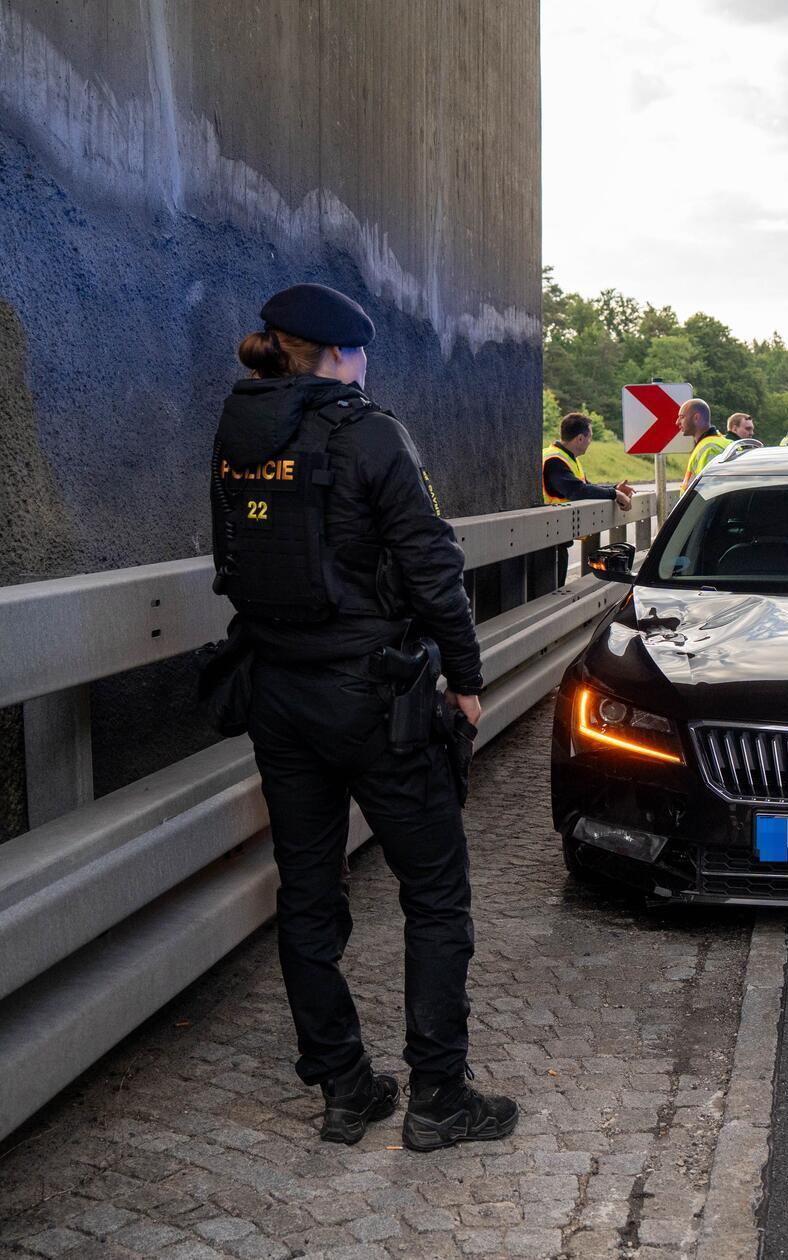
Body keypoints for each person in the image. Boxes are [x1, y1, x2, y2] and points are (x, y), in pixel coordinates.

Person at [211, 282, 517, 1151]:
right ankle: (439, 1098)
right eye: (362, 352)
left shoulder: (238, 433)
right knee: (434, 894)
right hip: (375, 699)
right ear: (341, 354)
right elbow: (432, 564)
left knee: (307, 894)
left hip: (276, 693)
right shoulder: (371, 433)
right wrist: (464, 675)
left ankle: (345, 1089)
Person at [543, 412, 635, 586]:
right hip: (547, 541)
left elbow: (588, 487)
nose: (590, 442)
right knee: (551, 593)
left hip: (555, 536)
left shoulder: (566, 458)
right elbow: (577, 491)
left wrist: (614, 489)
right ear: (580, 438)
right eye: (590, 437)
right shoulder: (555, 460)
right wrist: (615, 494)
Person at [679, 398, 734, 489]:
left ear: (696, 418)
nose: (677, 422)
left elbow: (711, 491)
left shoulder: (709, 449)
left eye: (682, 417)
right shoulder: (723, 441)